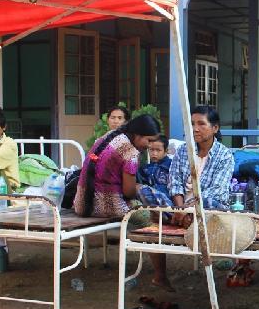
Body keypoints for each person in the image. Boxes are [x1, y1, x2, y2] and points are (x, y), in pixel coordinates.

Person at [164, 106, 234, 290]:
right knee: (148, 193)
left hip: (205, 208)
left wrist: (188, 210)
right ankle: (181, 218)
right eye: (192, 124)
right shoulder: (182, 151)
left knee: (214, 202)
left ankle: (184, 220)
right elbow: (175, 181)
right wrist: (180, 209)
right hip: (179, 207)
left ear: (215, 128)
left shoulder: (224, 155)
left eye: (201, 124)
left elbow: (216, 191)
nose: (195, 128)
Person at [73, 114, 161, 219]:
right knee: (146, 212)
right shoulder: (130, 152)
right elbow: (128, 192)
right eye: (149, 140)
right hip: (106, 208)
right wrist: (137, 187)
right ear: (137, 135)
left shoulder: (109, 135)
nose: (150, 146)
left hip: (81, 205)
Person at [137, 135, 172, 207]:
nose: (154, 153)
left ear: (166, 151)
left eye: (158, 150)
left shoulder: (171, 165)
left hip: (167, 202)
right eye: (151, 150)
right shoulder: (145, 168)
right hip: (150, 201)